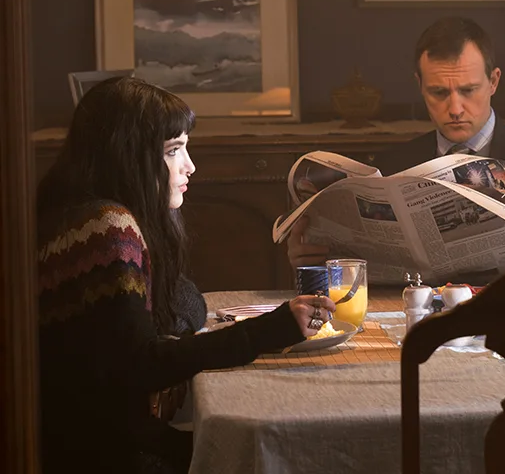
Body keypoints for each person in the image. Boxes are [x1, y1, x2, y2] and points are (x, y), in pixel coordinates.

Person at [36, 76, 336, 474]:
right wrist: (270, 330)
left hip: (107, 438)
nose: (190, 166)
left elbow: (188, 301)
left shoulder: (83, 213)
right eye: (174, 150)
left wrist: (170, 339)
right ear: (129, 155)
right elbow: (140, 365)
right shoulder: (105, 227)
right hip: (104, 456)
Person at [289, 16, 505, 280]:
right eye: (439, 93)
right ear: (419, 85)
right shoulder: (391, 166)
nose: (455, 108)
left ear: (493, 81)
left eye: (468, 90)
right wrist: (311, 263)